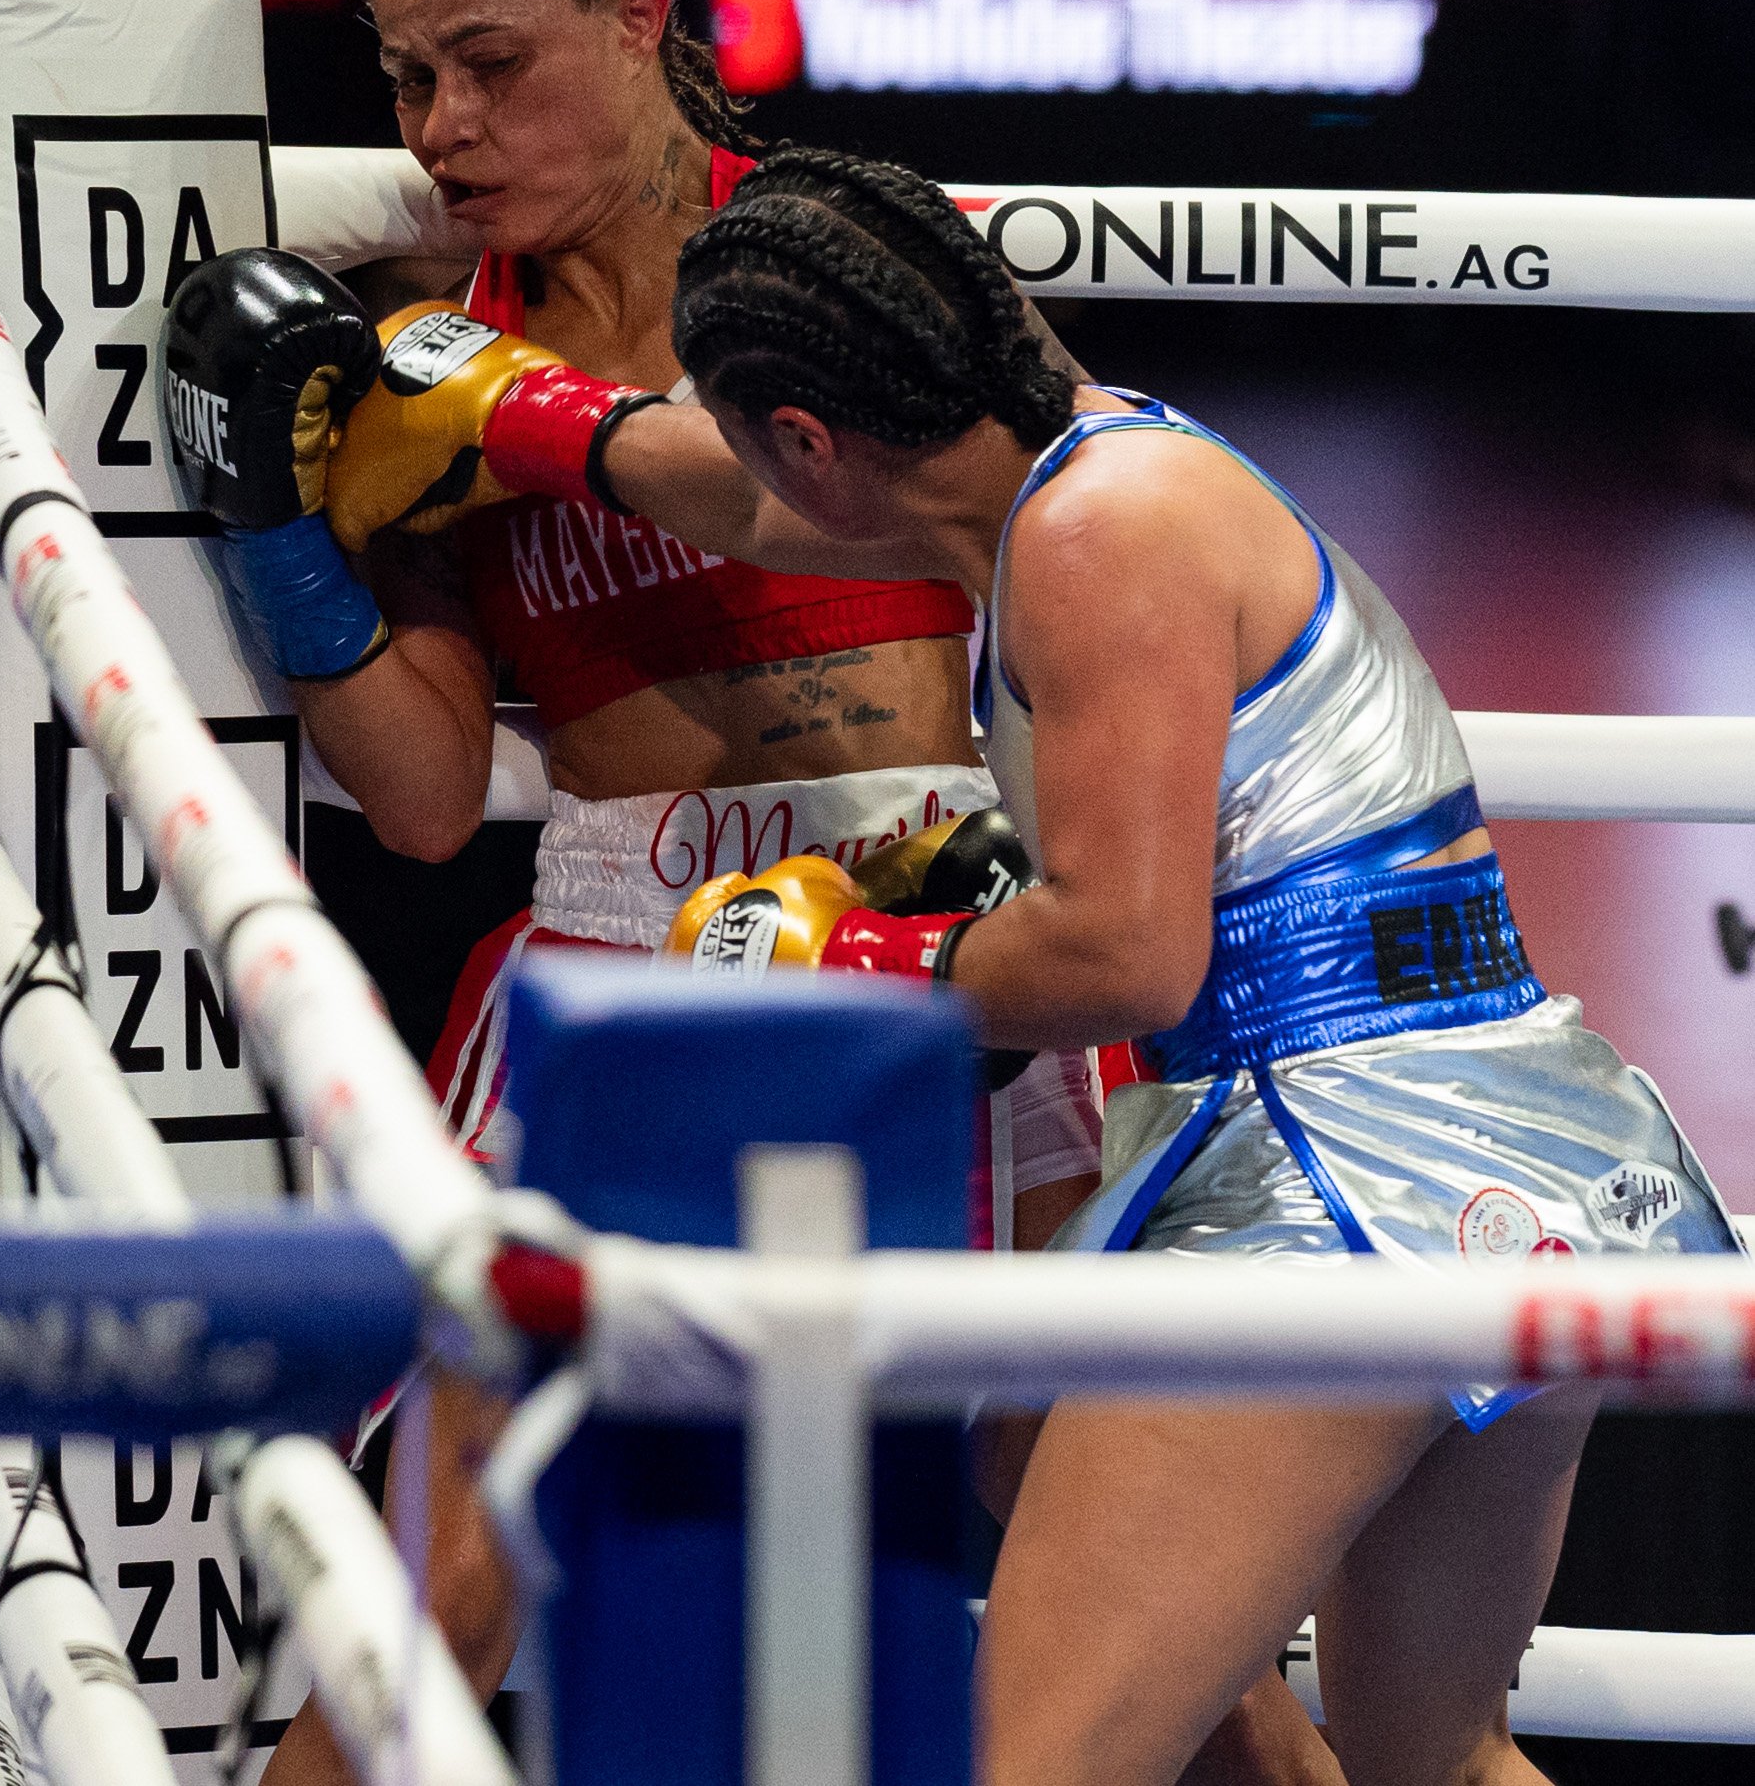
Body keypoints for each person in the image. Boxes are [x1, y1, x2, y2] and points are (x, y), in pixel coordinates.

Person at [364, 141, 1745, 1786]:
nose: (757, 515)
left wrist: (849, 951)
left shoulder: (1093, 543)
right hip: (1503, 1138)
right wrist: (518, 404)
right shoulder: (1077, 465)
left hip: (1335, 1183)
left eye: (771, 460)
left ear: (815, 440)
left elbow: (1125, 957)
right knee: (1428, 1752)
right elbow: (733, 492)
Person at [162, 0, 1111, 1786]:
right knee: (437, 1572)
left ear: (640, 17)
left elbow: (1104, 525)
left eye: (491, 62)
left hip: (926, 923)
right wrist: (281, 526)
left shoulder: (845, 262)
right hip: (608, 949)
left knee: (1104, 1538)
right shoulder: (426, 342)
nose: (441, 125)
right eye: (406, 75)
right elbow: (426, 797)